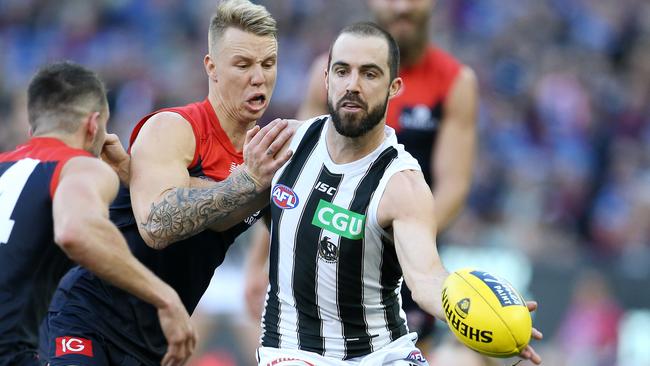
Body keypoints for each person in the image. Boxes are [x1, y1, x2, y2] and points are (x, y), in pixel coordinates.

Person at [256, 22, 541, 365]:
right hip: (292, 351)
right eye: (343, 71)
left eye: (370, 74)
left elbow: (425, 278)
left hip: (382, 355)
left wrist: (481, 314)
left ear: (394, 87)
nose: (353, 85)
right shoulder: (281, 146)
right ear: (327, 79)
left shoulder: (402, 183)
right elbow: (227, 212)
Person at [39, 1, 293, 365]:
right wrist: (249, 182)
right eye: (243, 65)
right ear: (212, 67)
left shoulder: (267, 153)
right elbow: (157, 226)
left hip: (155, 343)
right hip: (88, 319)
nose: (259, 78)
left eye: (268, 64)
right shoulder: (175, 129)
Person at [245, 0, 477, 343]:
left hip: (400, 245)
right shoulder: (322, 74)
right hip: (323, 241)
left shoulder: (454, 81)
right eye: (342, 72)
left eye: (370, 74)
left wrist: (385, 238)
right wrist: (259, 259)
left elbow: (453, 187)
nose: (401, 8)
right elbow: (294, 177)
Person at [0, 62, 195, 365]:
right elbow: (76, 232)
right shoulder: (78, 166)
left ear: (32, 129)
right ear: (93, 126)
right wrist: (164, 297)